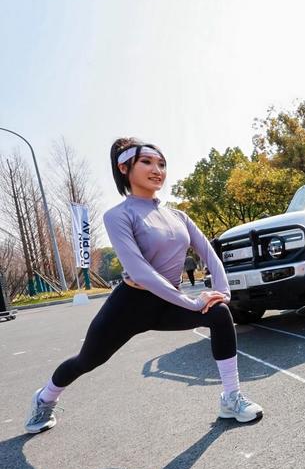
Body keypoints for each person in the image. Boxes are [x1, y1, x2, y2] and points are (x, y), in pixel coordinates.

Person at [24, 138, 262, 434]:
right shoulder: (117, 216)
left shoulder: (179, 217)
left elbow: (209, 253)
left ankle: (231, 398)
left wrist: (222, 294)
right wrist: (192, 302)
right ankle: (45, 397)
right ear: (124, 168)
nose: (157, 170)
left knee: (218, 313)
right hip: (130, 305)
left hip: (168, 303)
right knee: (87, 360)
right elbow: (140, 270)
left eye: (161, 164)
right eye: (147, 162)